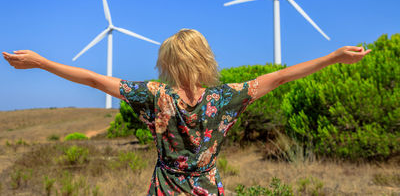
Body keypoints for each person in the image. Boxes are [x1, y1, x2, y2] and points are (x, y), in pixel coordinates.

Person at [2, 28, 372, 195]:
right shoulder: (226, 97)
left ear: (168, 62)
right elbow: (279, 77)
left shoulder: (154, 95)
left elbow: (96, 81)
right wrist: (334, 58)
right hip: (209, 190)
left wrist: (41, 62)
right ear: (204, 58)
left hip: (164, 190)